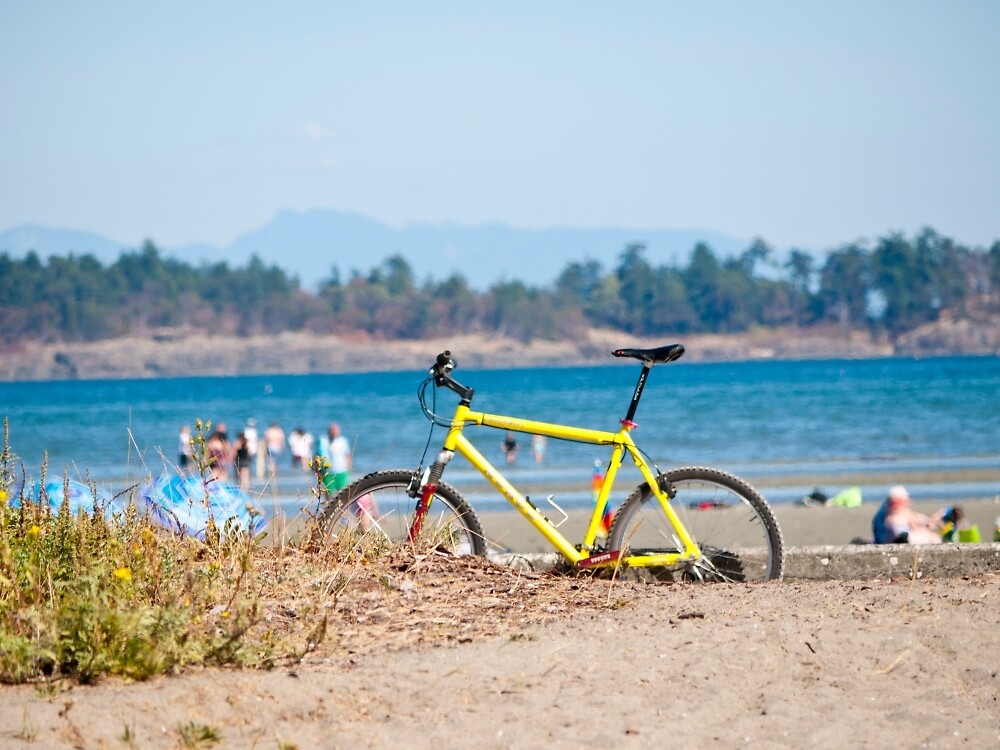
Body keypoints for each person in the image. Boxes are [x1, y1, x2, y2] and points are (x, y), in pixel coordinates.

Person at [872, 486, 941, 545]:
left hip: (886, 540)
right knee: (935, 538)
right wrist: (928, 524)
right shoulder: (903, 513)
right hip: (901, 538)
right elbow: (916, 524)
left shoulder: (884, 511)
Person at [319, 423, 352, 494]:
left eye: (336, 430)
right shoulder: (323, 441)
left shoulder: (343, 441)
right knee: (329, 495)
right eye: (332, 430)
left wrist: (349, 468)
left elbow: (347, 455)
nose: (334, 432)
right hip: (327, 472)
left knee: (343, 493)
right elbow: (317, 455)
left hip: (341, 471)